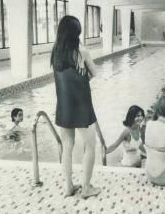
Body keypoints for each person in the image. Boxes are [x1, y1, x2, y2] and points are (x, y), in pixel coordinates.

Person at [51, 15, 101, 199]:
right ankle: (86, 188)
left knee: (67, 147)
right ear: (76, 33)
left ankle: (68, 187)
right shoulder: (82, 52)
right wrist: (82, 78)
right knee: (90, 146)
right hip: (81, 105)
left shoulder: (55, 52)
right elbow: (94, 73)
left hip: (64, 106)